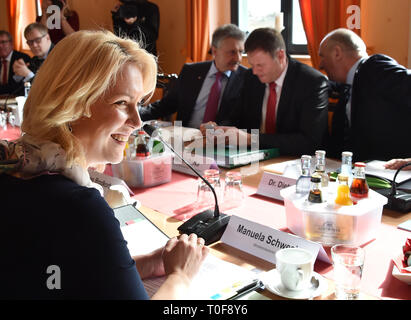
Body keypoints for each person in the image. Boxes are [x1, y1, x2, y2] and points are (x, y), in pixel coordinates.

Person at [0, 30, 208, 299]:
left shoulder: (16, 167)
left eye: (138, 104)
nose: (137, 121)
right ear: (72, 105)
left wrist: (140, 265)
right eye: (122, 103)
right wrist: (181, 276)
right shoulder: (79, 206)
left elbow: (63, 272)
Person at [209, 28, 329, 156]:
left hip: (293, 161)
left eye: (260, 65)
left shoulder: (312, 82)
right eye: (252, 65)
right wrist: (219, 129)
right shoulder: (251, 77)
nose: (255, 71)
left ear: (280, 56)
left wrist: (251, 139)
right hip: (251, 158)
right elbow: (235, 117)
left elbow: (309, 142)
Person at [319, 28, 411, 162]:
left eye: (322, 56)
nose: (320, 64)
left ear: (337, 53)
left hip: (393, 172)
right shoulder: (347, 86)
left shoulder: (375, 67)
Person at [139, 24, 247, 129]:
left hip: (222, 142)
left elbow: (243, 121)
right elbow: (166, 105)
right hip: (185, 138)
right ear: (215, 51)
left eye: (241, 52)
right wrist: (134, 114)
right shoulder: (191, 71)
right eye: (232, 52)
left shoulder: (246, 78)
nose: (238, 58)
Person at [0, 30, 30, 96]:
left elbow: (18, 86)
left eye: (3, 42)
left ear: (11, 44)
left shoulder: (22, 58)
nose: (0, 46)